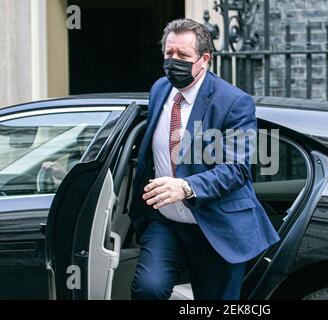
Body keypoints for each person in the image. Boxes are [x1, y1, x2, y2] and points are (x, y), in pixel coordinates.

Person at [129, 19, 279, 300]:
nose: (174, 61)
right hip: (166, 223)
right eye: (169, 54)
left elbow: (236, 170)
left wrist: (185, 187)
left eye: (183, 56)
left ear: (204, 60)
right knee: (148, 289)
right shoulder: (160, 89)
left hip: (216, 226)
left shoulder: (233, 102)